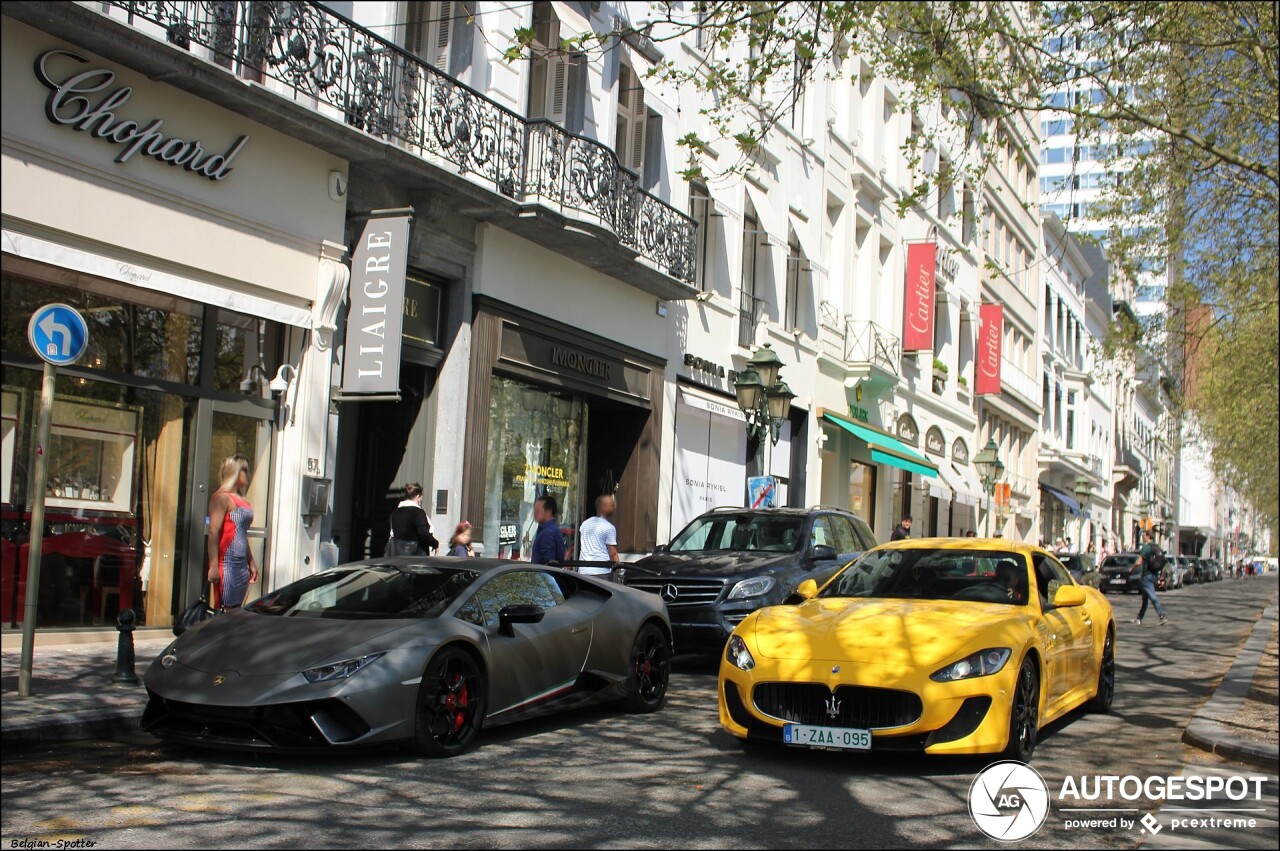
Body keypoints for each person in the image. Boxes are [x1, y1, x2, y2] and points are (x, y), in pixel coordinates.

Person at [207, 454, 258, 609]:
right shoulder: (221, 498)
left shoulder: (242, 499)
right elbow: (213, 534)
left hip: (241, 566)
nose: (247, 473)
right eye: (244, 470)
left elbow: (242, 533)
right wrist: (214, 565)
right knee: (227, 610)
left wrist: (251, 562)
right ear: (234, 471)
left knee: (236, 611)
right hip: (226, 564)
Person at [388, 483, 438, 556]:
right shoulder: (418, 512)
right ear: (418, 496)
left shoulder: (395, 512)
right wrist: (435, 543)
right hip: (415, 554)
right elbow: (423, 533)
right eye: (421, 497)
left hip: (397, 553)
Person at [1132, 529, 1168, 626]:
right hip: (1154, 575)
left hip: (1146, 575)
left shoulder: (1146, 548)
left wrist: (1131, 569)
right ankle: (1139, 618)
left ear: (1148, 536)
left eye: (1144, 535)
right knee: (1145, 598)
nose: (1142, 537)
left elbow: (1139, 561)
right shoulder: (1156, 547)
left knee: (1152, 596)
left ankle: (1162, 616)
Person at [577, 494, 619, 577]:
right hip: (601, 572)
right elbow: (612, 553)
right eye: (611, 505)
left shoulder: (585, 524)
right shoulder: (609, 527)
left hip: (583, 570)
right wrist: (620, 570)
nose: (614, 508)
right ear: (604, 506)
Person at [529, 494, 566, 564]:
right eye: (534, 510)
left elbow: (548, 563)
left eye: (538, 511)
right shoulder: (553, 529)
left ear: (548, 512)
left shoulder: (547, 533)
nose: (534, 514)